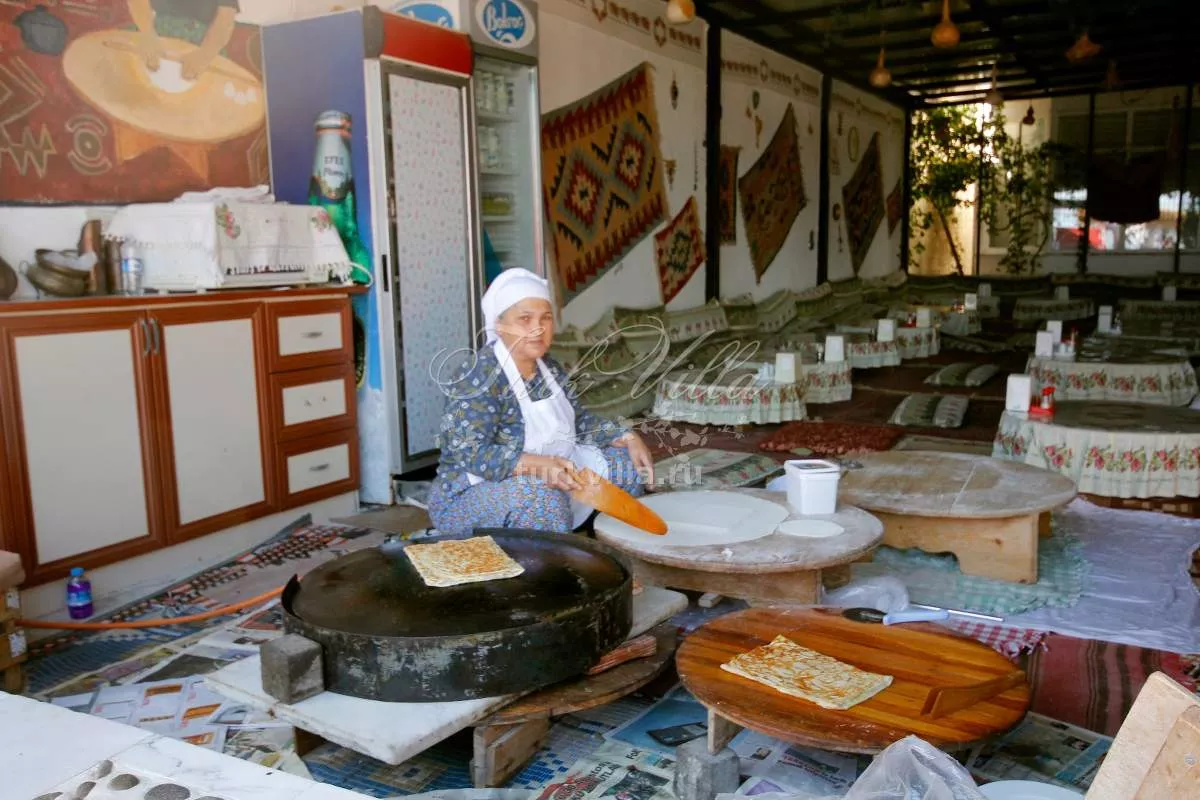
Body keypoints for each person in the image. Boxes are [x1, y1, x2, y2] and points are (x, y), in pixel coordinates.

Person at [428, 268, 654, 535]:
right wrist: (536, 464)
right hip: (469, 495)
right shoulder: (477, 376)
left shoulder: (549, 367)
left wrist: (625, 436)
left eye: (545, 318)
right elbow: (470, 452)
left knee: (625, 465)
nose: (538, 328)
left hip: (553, 471)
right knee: (542, 497)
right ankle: (550, 560)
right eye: (525, 319)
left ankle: (608, 547)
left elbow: (579, 421)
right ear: (499, 325)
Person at [128, 0, 239, 80]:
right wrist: (148, 34)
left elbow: (226, 18)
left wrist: (205, 54)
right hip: (156, 31)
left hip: (204, 41)